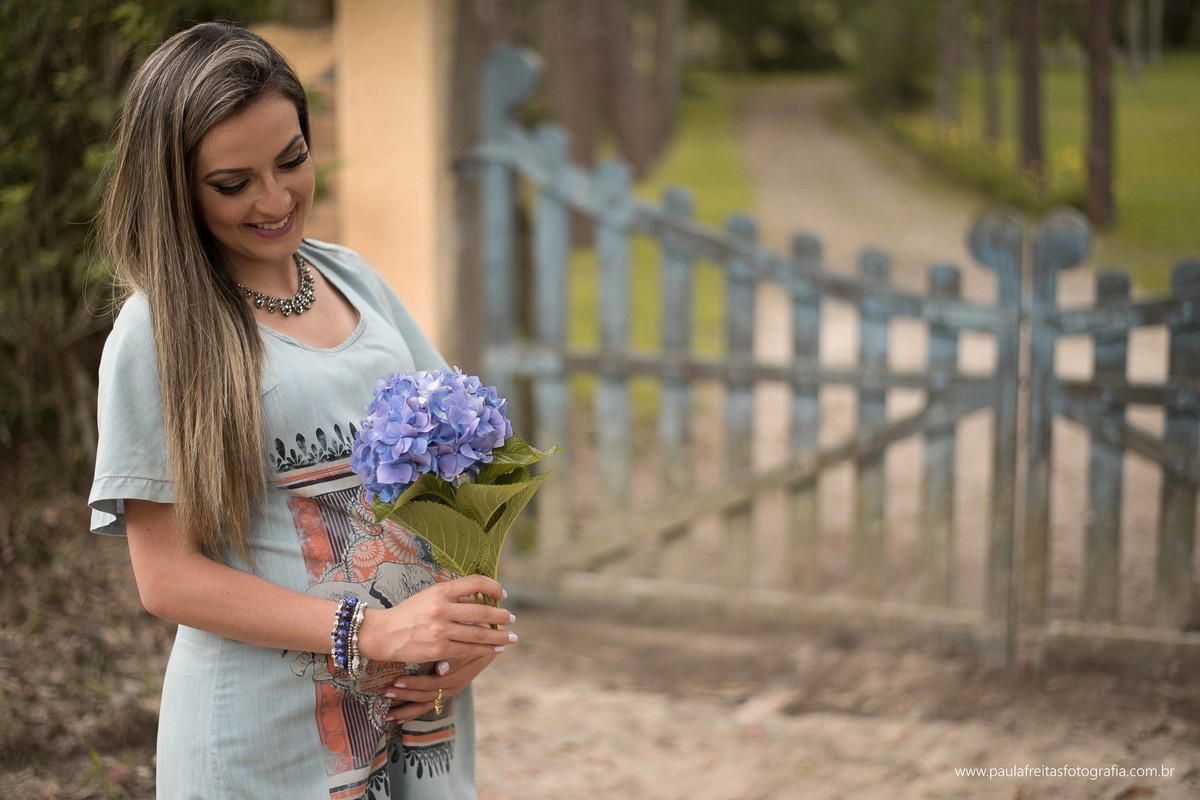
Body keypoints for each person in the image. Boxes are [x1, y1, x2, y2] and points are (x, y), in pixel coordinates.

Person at [89, 21, 513, 799]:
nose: (276, 199)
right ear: (175, 187)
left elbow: (469, 473)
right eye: (233, 183)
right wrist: (373, 630)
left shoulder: (355, 280)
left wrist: (472, 627)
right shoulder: (158, 332)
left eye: (292, 159)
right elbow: (167, 578)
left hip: (411, 715)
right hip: (264, 740)